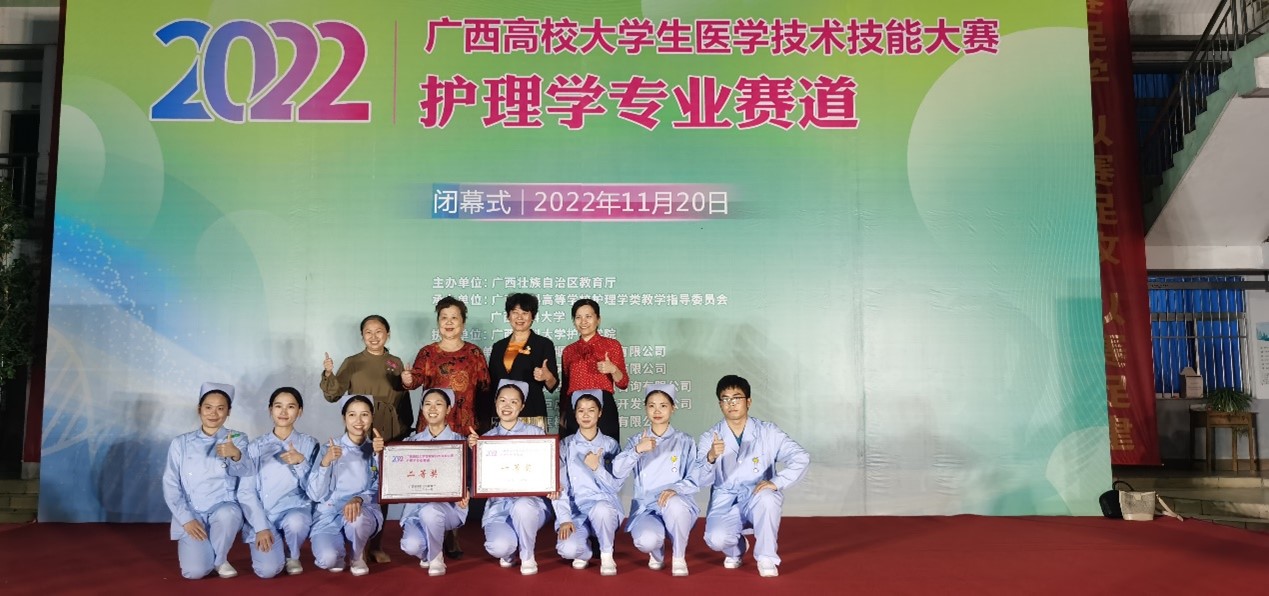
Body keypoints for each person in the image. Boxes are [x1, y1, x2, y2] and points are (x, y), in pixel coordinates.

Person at [696, 375, 810, 578]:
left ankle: (766, 558)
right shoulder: (710, 437)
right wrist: (710, 457)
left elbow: (801, 457)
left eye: (737, 398)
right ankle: (738, 548)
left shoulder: (768, 432)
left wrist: (776, 482)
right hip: (726, 499)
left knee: (768, 498)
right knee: (715, 539)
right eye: (725, 399)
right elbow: (701, 480)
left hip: (757, 494)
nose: (731, 404)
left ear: (748, 401)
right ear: (720, 404)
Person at [321, 314, 411, 562]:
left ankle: (376, 545)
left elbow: (402, 399)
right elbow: (333, 395)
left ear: (388, 334)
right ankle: (352, 541)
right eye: (368, 332)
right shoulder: (352, 362)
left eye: (379, 331)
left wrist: (404, 429)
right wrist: (328, 374)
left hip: (388, 429)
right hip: (360, 429)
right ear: (362, 336)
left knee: (382, 487)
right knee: (358, 482)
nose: (374, 336)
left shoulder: (395, 362)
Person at [162, 382, 251, 579]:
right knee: (195, 572)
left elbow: (247, 472)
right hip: (192, 511)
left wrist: (236, 454)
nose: (213, 413)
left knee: (228, 514)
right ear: (199, 409)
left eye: (220, 408)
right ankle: (208, 552)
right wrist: (186, 519)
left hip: (224, 509)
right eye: (208, 407)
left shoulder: (238, 438)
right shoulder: (180, 443)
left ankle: (220, 560)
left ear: (228, 412)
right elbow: (171, 483)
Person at [611, 384, 699, 577]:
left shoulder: (685, 441)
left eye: (663, 405)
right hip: (646, 506)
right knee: (646, 541)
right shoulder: (637, 440)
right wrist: (637, 450)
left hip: (676, 502)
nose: (657, 411)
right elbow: (617, 470)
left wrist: (675, 489)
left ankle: (679, 557)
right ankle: (657, 551)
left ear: (673, 408)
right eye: (652, 406)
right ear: (645, 408)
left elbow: (695, 476)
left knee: (674, 504)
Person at [469, 380, 550, 575]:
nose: (507, 406)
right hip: (499, 507)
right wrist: (475, 451)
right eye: (503, 400)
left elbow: (547, 470)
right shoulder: (485, 439)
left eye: (514, 402)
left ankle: (527, 555)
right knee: (499, 547)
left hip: (531, 504)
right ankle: (509, 550)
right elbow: (478, 481)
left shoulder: (536, 434)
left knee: (522, 506)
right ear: (495, 402)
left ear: (522, 406)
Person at [236, 387, 318, 578]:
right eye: (278, 406)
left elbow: (315, 488)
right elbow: (246, 491)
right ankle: (274, 544)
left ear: (300, 411)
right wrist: (261, 527)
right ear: (270, 409)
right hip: (264, 515)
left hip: (295, 512)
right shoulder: (255, 447)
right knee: (267, 571)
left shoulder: (309, 444)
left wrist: (301, 462)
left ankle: (293, 554)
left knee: (296, 522)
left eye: (291, 407)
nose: (283, 412)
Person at [307, 395, 386, 576]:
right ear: (344, 418)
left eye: (364, 414)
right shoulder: (329, 448)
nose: (358, 421)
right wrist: (326, 462)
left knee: (357, 519)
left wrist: (359, 498)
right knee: (328, 560)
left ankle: (357, 556)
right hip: (329, 513)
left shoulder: (377, 449)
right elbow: (315, 494)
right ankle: (339, 553)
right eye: (352, 415)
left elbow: (383, 487)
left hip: (363, 510)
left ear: (372, 417)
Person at [399, 388, 470, 576]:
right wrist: (379, 453)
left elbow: (471, 476)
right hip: (416, 509)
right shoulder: (409, 443)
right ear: (422, 408)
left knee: (431, 510)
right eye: (427, 404)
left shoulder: (461, 442)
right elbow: (395, 474)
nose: (432, 408)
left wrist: (467, 490)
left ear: (448, 409)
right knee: (410, 545)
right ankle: (427, 553)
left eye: (438, 404)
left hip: (449, 508)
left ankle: (437, 557)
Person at [554, 389, 624, 575]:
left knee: (601, 509)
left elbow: (616, 485)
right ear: (575, 414)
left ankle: (607, 555)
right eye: (581, 410)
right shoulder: (565, 445)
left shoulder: (610, 445)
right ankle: (584, 552)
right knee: (567, 550)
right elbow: (560, 485)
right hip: (577, 509)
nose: (586, 415)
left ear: (600, 413)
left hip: (604, 507)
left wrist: (597, 468)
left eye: (591, 410)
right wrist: (565, 518)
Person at [403, 296, 490, 436]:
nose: (449, 322)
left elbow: (485, 390)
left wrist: (485, 427)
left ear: (463, 322)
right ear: (438, 322)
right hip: (433, 424)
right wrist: (408, 380)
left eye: (454, 318)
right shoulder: (428, 352)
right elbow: (415, 380)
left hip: (466, 425)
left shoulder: (474, 352)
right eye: (444, 318)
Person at [484, 293, 559, 432]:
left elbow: (553, 385)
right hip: (502, 414)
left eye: (525, 313)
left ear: (533, 317)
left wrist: (547, 376)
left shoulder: (543, 344)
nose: (520, 317)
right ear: (508, 316)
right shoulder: (498, 347)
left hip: (532, 412)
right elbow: (492, 384)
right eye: (515, 312)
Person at [560, 298, 628, 441]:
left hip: (604, 406)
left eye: (588, 316)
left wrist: (613, 369)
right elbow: (565, 386)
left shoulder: (612, 345)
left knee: (608, 449)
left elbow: (623, 383)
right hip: (576, 407)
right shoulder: (568, 351)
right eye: (578, 317)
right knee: (574, 448)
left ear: (598, 319)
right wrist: (563, 413)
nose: (583, 321)